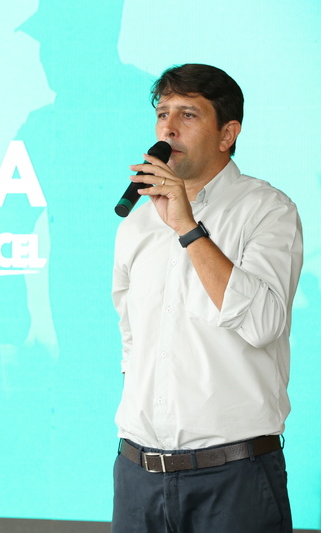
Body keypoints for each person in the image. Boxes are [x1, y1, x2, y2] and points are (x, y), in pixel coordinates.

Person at [111, 64, 302, 532]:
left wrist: (187, 227)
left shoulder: (266, 210)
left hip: (233, 478)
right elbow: (131, 338)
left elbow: (263, 323)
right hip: (138, 477)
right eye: (162, 113)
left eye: (188, 114)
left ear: (227, 134)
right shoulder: (137, 222)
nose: (168, 128)